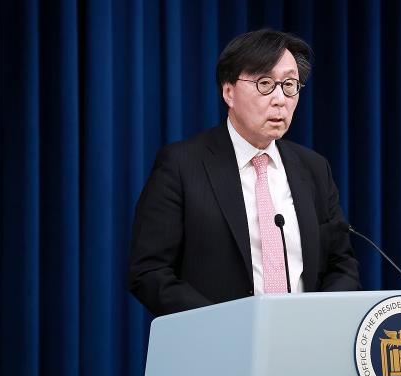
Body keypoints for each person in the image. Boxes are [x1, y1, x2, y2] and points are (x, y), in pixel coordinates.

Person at [129, 29, 360, 316]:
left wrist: (318, 316)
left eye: (289, 85)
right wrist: (227, 325)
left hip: (303, 344)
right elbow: (149, 272)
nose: (280, 99)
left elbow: (342, 265)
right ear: (229, 92)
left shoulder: (313, 168)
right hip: (219, 346)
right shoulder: (181, 165)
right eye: (265, 84)